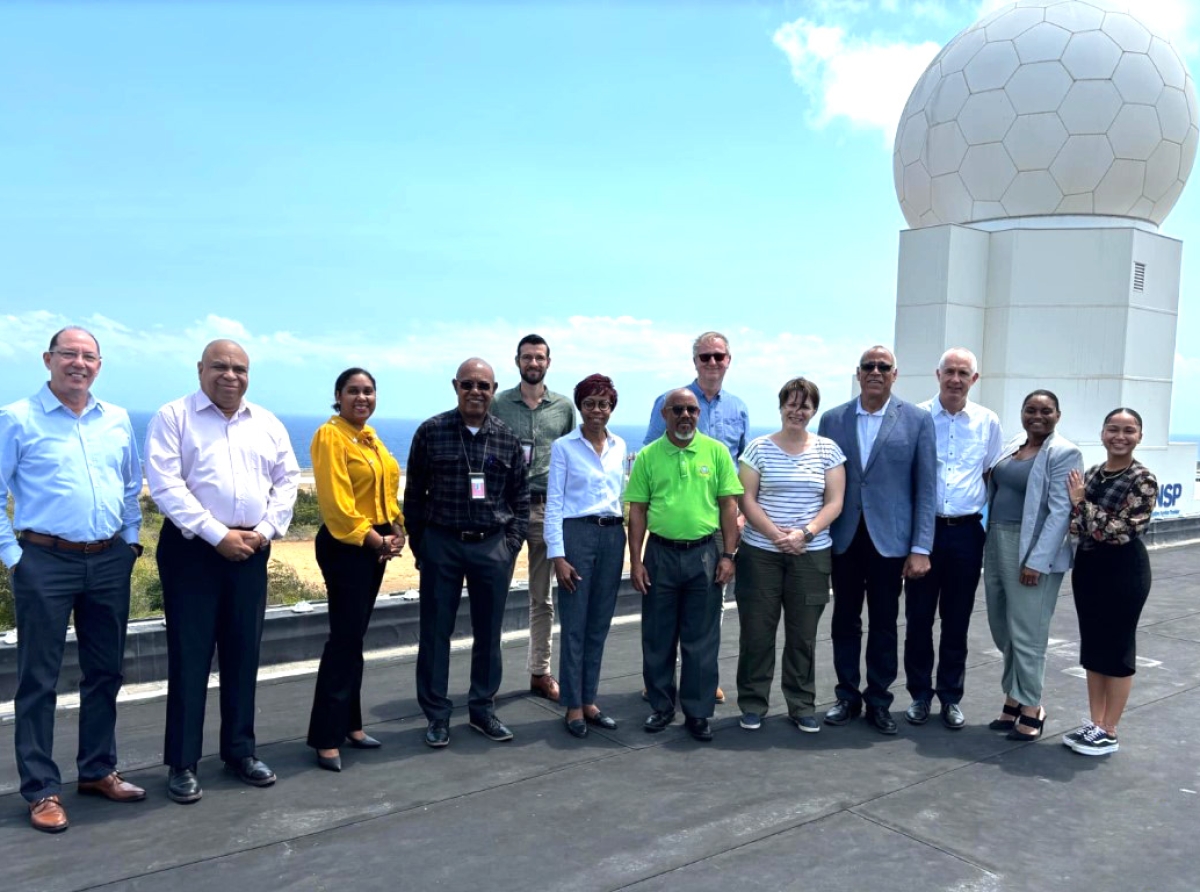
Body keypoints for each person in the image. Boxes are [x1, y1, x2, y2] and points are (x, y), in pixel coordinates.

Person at [0, 327, 145, 833]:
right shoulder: (17, 418)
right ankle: (41, 790)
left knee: (105, 672)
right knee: (38, 680)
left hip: (108, 559)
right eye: (69, 355)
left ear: (99, 366)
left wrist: (130, 542)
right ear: (48, 360)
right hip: (44, 560)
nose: (78, 363)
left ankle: (98, 770)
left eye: (88, 356)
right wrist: (13, 557)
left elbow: (131, 484)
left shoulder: (119, 420)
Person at [146, 339, 300, 803]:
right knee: (190, 658)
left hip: (251, 549)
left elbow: (287, 480)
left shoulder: (267, 423)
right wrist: (217, 534)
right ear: (200, 370)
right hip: (193, 551)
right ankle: (182, 763)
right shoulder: (174, 417)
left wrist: (266, 530)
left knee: (242, 655)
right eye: (220, 366)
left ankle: (240, 752)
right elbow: (165, 485)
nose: (230, 375)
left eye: (239, 368)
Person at [405, 358, 530, 748]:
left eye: (484, 386)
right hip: (442, 542)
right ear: (455, 386)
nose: (476, 392)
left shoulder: (507, 439)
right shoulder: (431, 432)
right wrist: (421, 543)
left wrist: (509, 547)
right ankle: (437, 716)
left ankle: (482, 710)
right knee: (435, 633)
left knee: (489, 633)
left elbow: (521, 499)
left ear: (494, 390)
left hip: (492, 546)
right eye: (468, 385)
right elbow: (414, 496)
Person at [817, 346, 936, 735]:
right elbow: (822, 482)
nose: (875, 372)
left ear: (894, 374)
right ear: (857, 372)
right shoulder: (833, 419)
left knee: (885, 623)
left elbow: (926, 488)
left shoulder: (917, 420)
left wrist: (921, 547)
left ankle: (879, 701)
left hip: (891, 542)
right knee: (844, 621)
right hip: (845, 538)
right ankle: (846, 696)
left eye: (883, 367)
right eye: (868, 366)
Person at [627, 388, 743, 742]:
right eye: (677, 409)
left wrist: (728, 555)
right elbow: (637, 511)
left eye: (692, 409)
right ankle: (662, 707)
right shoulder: (648, 456)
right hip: (660, 554)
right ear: (665, 414)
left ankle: (698, 711)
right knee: (658, 637)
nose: (686, 415)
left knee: (702, 639)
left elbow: (728, 507)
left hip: (704, 554)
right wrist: (635, 561)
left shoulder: (716, 452)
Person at [306, 368, 405, 771]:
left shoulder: (370, 437)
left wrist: (398, 528)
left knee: (355, 637)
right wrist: (376, 540)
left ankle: (352, 725)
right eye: (353, 391)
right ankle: (325, 737)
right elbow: (337, 505)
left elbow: (384, 493)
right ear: (338, 395)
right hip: (348, 545)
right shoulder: (331, 436)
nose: (361, 397)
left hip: (374, 544)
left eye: (368, 391)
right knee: (343, 640)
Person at [643, 330, 749, 704]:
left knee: (709, 609)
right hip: (671, 529)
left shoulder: (738, 408)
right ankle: (661, 682)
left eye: (719, 356)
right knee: (664, 614)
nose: (713, 363)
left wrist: (738, 518)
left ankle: (701, 680)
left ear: (728, 360)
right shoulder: (670, 401)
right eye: (705, 357)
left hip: (718, 524)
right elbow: (650, 458)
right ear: (695, 362)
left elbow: (740, 468)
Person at [735, 377, 845, 733]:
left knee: (803, 635)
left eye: (805, 405)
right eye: (791, 404)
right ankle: (753, 703)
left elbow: (835, 502)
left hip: (811, 556)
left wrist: (805, 534)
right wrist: (775, 535)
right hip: (761, 554)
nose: (797, 411)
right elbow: (746, 499)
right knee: (757, 632)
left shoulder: (828, 450)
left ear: (814, 411)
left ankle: (801, 704)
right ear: (781, 406)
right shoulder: (758, 448)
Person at [903, 348, 1003, 730]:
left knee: (956, 621)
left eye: (964, 373)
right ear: (937, 374)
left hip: (966, 532)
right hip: (924, 534)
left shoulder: (987, 421)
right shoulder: (916, 416)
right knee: (917, 620)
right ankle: (918, 695)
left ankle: (950, 697)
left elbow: (991, 476)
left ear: (974, 379)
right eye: (950, 371)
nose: (956, 379)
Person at [983, 389, 1082, 742]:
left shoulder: (1063, 452)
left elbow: (1060, 512)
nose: (1037, 416)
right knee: (1001, 625)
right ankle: (1013, 696)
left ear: (1058, 414)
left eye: (1046, 410)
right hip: (996, 539)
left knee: (1028, 633)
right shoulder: (1014, 444)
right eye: (1030, 409)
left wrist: (1037, 561)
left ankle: (1031, 707)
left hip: (1031, 549)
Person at [1064, 408, 1157, 756]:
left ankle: (1111, 729)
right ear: (1102, 433)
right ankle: (1095, 722)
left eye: (1128, 430)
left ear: (1139, 436)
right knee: (1093, 647)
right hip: (1089, 567)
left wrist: (1081, 505)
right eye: (1113, 429)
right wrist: (1083, 511)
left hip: (1123, 571)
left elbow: (1119, 531)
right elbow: (1078, 526)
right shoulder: (1092, 474)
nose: (1120, 436)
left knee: (1117, 648)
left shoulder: (1142, 479)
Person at [490, 334, 576, 703]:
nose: (534, 363)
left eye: (539, 357)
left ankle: (540, 672)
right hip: (505, 510)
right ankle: (487, 679)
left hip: (546, 509)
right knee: (493, 595)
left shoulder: (564, 407)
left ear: (548, 362)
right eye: (528, 357)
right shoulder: (497, 404)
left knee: (543, 598)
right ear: (517, 361)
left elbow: (575, 455)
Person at [545, 374, 626, 739]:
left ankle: (590, 699)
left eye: (604, 404)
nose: (597, 410)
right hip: (576, 534)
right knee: (575, 624)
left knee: (599, 623)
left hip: (612, 535)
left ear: (611, 408)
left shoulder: (620, 446)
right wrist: (558, 555)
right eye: (591, 403)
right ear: (581, 407)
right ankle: (573, 705)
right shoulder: (564, 447)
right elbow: (554, 505)